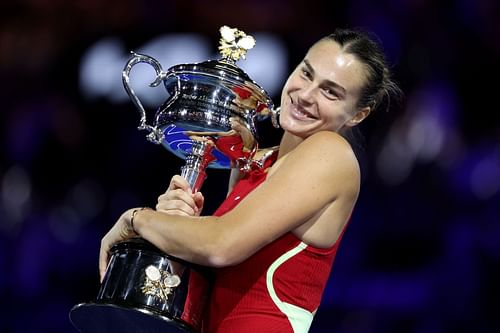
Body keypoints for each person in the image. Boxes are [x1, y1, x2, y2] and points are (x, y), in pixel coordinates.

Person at [99, 28, 401, 332]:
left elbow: (221, 244)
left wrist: (136, 220)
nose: (306, 95)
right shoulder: (254, 162)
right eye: (306, 74)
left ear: (358, 115)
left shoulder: (331, 153)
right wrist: (178, 225)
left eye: (330, 92)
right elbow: (217, 266)